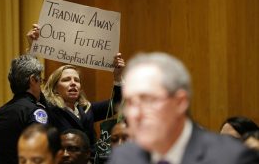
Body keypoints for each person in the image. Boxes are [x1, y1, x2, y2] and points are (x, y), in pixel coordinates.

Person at [108, 52, 259, 164]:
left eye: (148, 101)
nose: (135, 114)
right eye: (130, 103)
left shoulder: (231, 157)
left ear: (180, 102)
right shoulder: (123, 157)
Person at [27, 24, 125, 149]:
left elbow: (117, 103)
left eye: (76, 80)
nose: (73, 83)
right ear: (55, 87)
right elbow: (32, 80)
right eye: (66, 80)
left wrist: (117, 77)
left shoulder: (87, 108)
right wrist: (32, 48)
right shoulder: (48, 107)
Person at [0, 54, 49, 164]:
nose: (41, 86)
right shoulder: (35, 111)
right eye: (40, 81)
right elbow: (40, 152)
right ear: (32, 80)